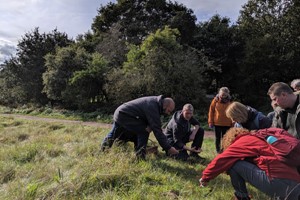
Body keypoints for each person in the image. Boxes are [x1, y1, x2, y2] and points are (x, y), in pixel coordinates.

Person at [199, 127, 300, 200]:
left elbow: (221, 159)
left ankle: (241, 197)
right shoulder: (259, 137)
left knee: (234, 164)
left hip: (280, 184)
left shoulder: (242, 142)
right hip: (296, 185)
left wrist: (205, 178)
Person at [100, 95, 179, 159]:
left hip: (121, 112)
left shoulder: (155, 103)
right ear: (165, 105)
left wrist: (151, 126)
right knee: (144, 131)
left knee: (115, 133)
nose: (169, 113)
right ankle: (140, 157)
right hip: (124, 115)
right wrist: (168, 148)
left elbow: (150, 121)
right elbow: (157, 131)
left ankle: (102, 152)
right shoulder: (153, 106)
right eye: (169, 110)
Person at [208, 87, 233, 153]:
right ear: (219, 93)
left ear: (227, 94)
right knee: (217, 138)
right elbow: (211, 111)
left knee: (226, 138)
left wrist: (233, 123)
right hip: (217, 123)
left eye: (224, 95)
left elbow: (233, 113)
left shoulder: (230, 101)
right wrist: (210, 121)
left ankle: (225, 150)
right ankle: (218, 151)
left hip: (227, 123)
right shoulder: (215, 100)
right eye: (221, 94)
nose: (222, 96)